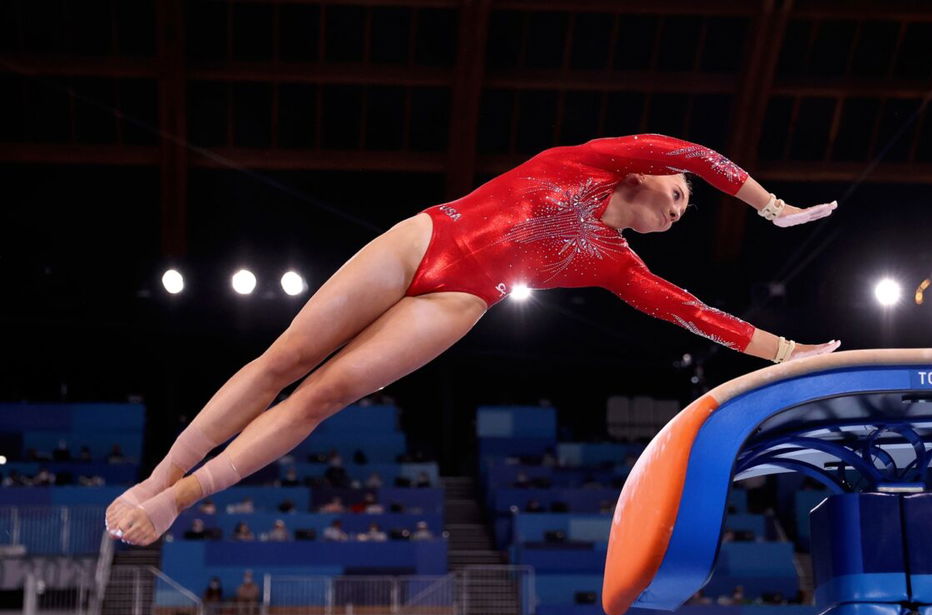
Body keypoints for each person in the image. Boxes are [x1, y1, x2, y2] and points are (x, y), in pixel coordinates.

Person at [104, 133, 841, 544]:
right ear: (647, 175)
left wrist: (785, 351)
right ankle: (158, 473)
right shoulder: (595, 160)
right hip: (427, 234)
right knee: (284, 359)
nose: (682, 207)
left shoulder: (618, 264)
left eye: (687, 205)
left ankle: (183, 497)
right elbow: (694, 153)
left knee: (321, 395)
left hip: (461, 297)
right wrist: (771, 206)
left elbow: (693, 312)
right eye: (678, 195)